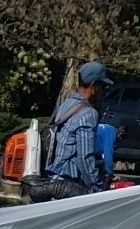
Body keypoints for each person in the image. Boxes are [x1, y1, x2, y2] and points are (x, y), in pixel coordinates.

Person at [46, 60, 113, 196]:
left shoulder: (67, 103)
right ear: (94, 86)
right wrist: (97, 187)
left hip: (53, 176)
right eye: (103, 87)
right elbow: (85, 157)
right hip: (69, 180)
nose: (103, 92)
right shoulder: (88, 113)